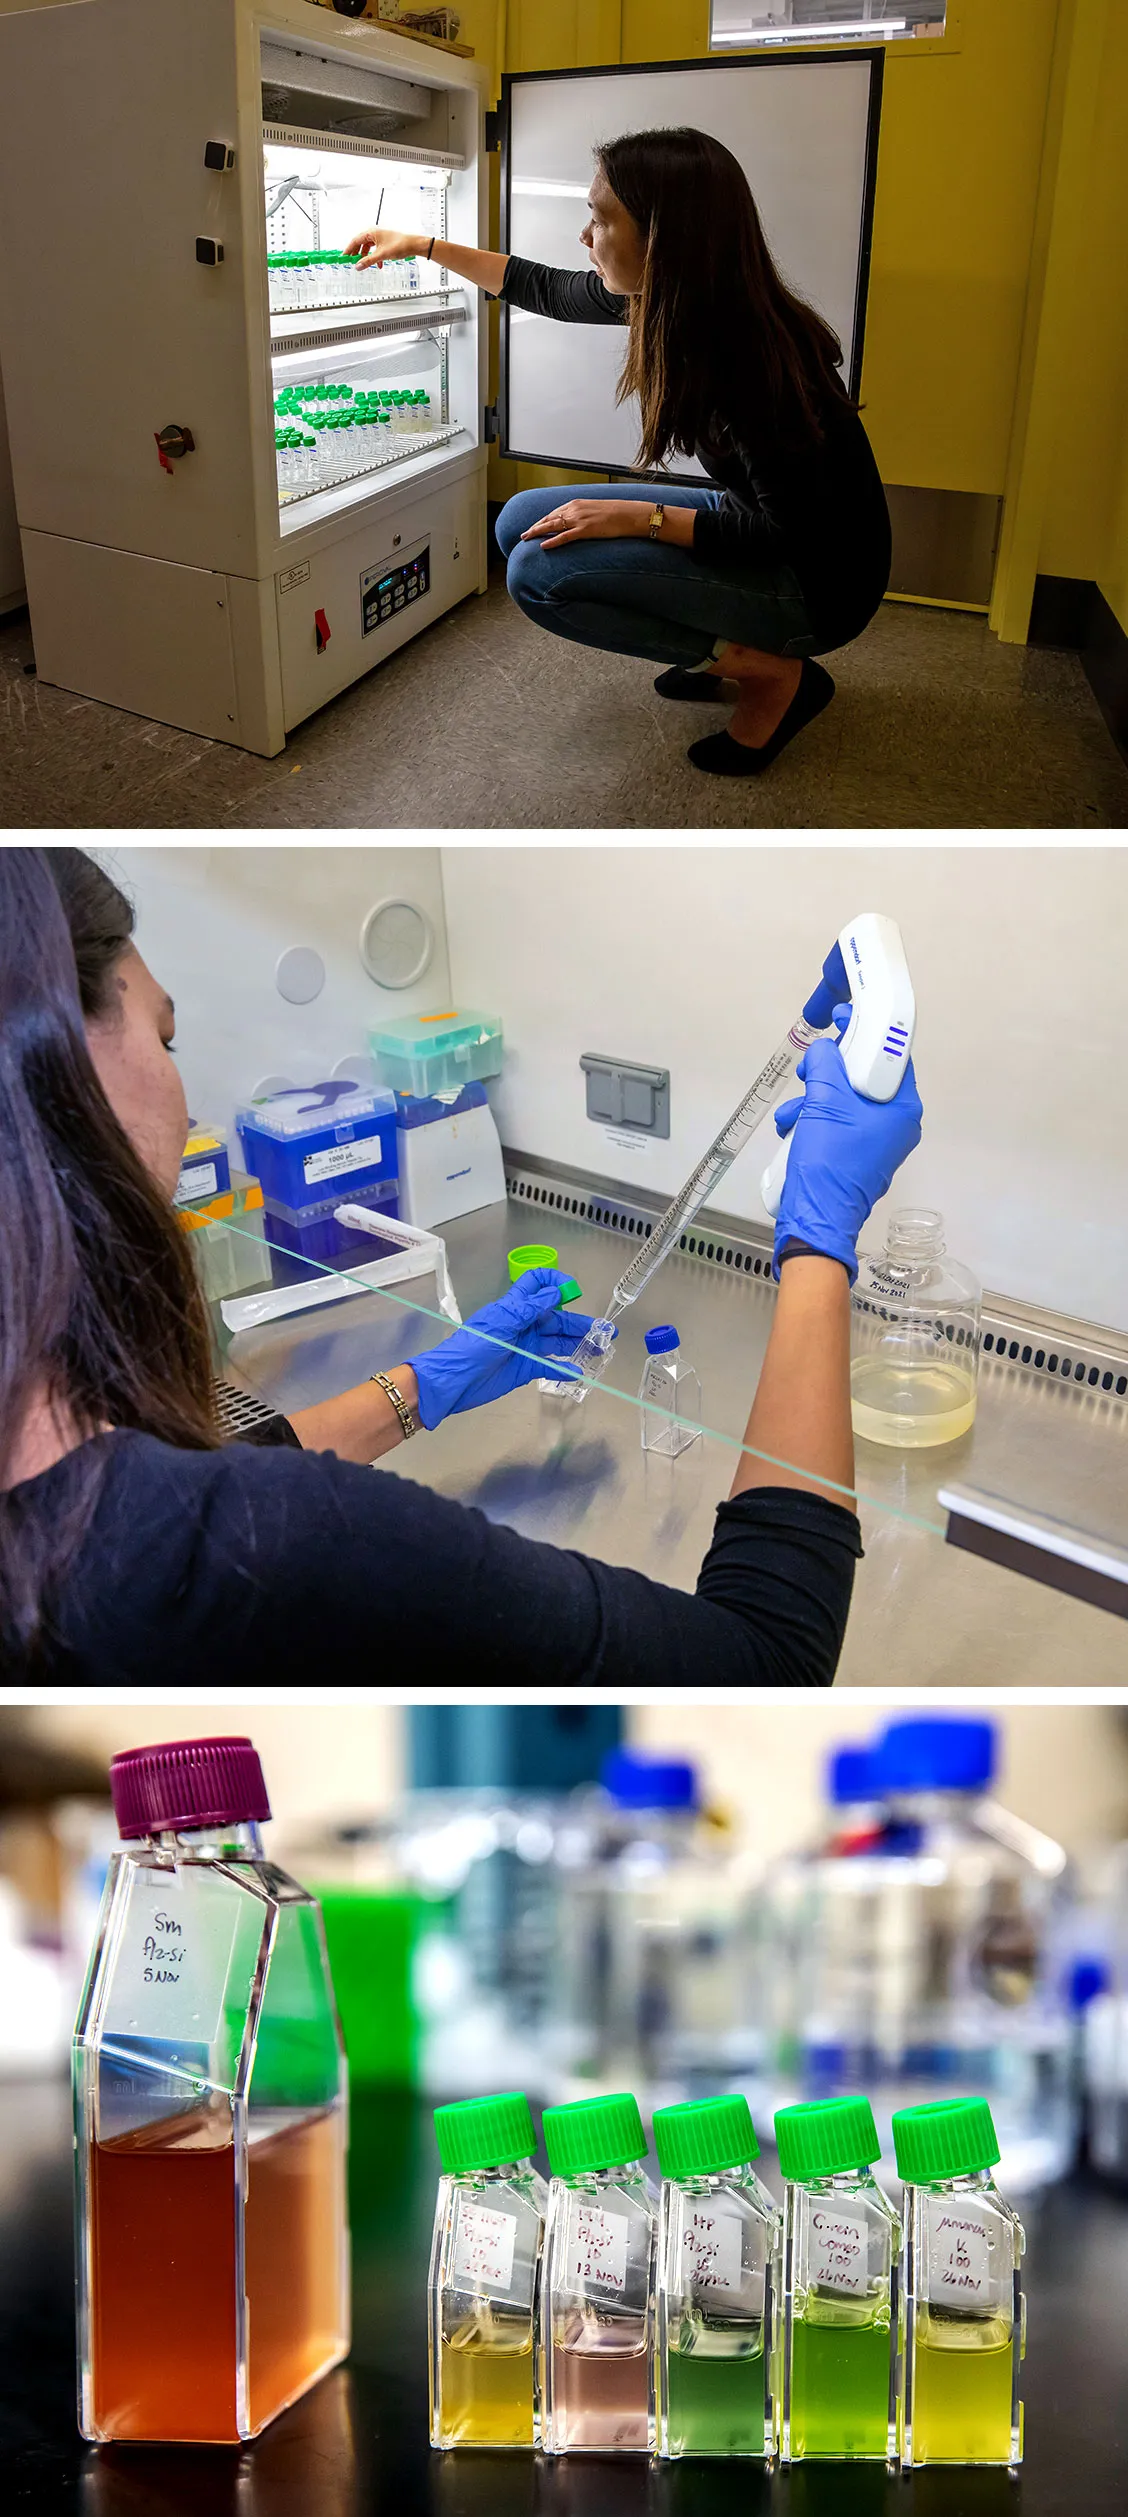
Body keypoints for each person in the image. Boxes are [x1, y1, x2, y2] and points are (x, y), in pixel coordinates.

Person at [0, 851, 921, 1684]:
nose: (180, 1086)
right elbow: (766, 1661)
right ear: (55, 1063)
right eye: (164, 1040)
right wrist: (819, 1239)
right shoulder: (277, 1542)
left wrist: (418, 1388)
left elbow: (181, 1485)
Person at [348, 126, 891, 779]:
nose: (586, 236)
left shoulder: (749, 358)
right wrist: (423, 246)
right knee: (521, 520)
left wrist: (638, 519)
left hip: (817, 584)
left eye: (601, 219)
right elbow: (543, 288)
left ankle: (774, 673)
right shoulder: (683, 300)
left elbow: (781, 532)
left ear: (666, 238)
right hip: (771, 524)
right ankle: (728, 641)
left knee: (539, 575)